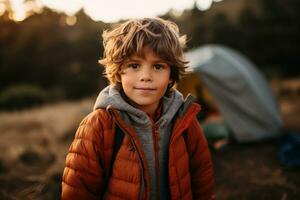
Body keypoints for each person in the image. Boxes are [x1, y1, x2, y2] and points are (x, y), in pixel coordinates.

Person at [61, 17, 215, 200]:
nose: (146, 76)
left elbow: (202, 177)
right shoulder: (98, 125)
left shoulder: (184, 119)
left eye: (158, 66)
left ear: (171, 75)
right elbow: (79, 191)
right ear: (118, 72)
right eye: (134, 65)